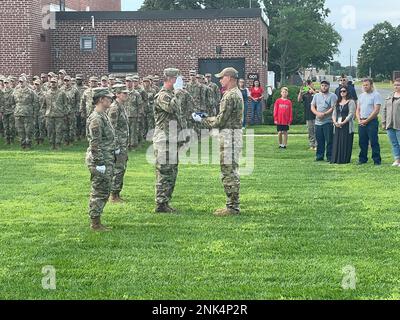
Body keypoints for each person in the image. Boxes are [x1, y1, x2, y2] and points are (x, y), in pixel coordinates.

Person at [193, 67, 244, 216]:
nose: (220, 80)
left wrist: (202, 120)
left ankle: (232, 207)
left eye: (222, 77)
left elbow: (220, 120)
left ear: (230, 78)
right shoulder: (234, 93)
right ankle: (232, 205)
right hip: (232, 135)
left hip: (229, 136)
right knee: (230, 170)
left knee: (229, 172)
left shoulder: (230, 96)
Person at [153, 68, 185, 213]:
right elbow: (171, 108)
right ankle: (160, 204)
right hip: (164, 140)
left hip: (173, 139)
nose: (178, 81)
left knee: (172, 172)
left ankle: (166, 202)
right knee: (164, 172)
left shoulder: (172, 95)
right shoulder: (162, 96)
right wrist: (177, 93)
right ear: (170, 79)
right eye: (176, 78)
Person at [86, 88, 116, 232]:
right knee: (99, 190)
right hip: (100, 159)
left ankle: (97, 221)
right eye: (108, 98)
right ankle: (95, 223)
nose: (110, 100)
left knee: (104, 190)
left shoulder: (103, 115)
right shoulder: (97, 118)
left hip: (106, 156)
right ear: (100, 100)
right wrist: (99, 163)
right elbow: (95, 143)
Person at [108, 84, 130, 203]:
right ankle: (113, 194)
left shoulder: (121, 106)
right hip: (118, 144)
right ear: (117, 94)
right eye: (124, 93)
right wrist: (115, 146)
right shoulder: (114, 108)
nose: (126, 95)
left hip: (122, 143)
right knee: (118, 168)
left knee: (122, 167)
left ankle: (116, 193)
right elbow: (112, 128)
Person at [356, 79, 383, 165]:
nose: (365, 86)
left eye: (366, 85)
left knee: (373, 141)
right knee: (362, 141)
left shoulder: (376, 95)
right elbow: (358, 109)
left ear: (371, 85)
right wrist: (359, 119)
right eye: (363, 85)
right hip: (362, 121)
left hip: (371, 121)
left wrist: (367, 120)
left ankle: (376, 160)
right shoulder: (361, 96)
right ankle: (362, 159)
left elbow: (376, 110)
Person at [311, 80, 338, 162]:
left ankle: (329, 156)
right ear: (320, 86)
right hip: (318, 122)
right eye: (322, 85)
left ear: (328, 86)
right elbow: (312, 106)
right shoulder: (316, 95)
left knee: (329, 140)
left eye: (326, 85)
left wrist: (324, 114)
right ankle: (319, 156)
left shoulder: (332, 96)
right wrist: (317, 113)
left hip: (328, 121)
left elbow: (333, 107)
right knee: (319, 140)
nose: (324, 87)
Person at [11, 76, 38, 149]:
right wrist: (15, 109)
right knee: (20, 130)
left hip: (28, 113)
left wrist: (34, 113)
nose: (21, 83)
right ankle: (22, 145)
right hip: (18, 114)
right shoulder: (15, 91)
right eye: (19, 81)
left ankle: (28, 144)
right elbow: (12, 103)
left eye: (22, 81)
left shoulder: (31, 92)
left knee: (28, 130)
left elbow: (35, 103)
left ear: (26, 82)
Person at [331, 87, 356, 164]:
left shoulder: (351, 102)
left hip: (347, 125)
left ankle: (344, 159)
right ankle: (336, 158)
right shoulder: (337, 102)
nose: (342, 92)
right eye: (341, 91)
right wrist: (335, 122)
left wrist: (344, 122)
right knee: (337, 141)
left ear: (347, 92)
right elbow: (334, 113)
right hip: (337, 124)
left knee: (345, 141)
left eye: (344, 91)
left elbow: (351, 113)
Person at [42, 77, 67, 150]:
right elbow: (44, 105)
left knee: (59, 130)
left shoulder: (62, 93)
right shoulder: (47, 93)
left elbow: (65, 104)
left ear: (57, 83)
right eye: (52, 82)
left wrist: (65, 114)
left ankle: (58, 144)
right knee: (50, 131)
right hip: (49, 115)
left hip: (59, 115)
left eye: (54, 82)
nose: (53, 83)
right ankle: (51, 144)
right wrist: (44, 114)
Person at [381, 78, 400, 167]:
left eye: (398, 85)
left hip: (399, 124)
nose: (396, 86)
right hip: (390, 124)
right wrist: (383, 122)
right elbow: (384, 110)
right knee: (394, 143)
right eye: (395, 85)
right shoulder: (389, 96)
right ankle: (397, 160)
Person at [298, 80, 317, 150]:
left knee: (316, 130)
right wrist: (300, 92)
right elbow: (299, 100)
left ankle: (317, 145)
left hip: (316, 114)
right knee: (310, 130)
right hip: (308, 114)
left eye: (310, 84)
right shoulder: (305, 93)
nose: (308, 86)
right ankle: (312, 145)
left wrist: (312, 91)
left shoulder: (316, 92)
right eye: (307, 84)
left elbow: (319, 98)